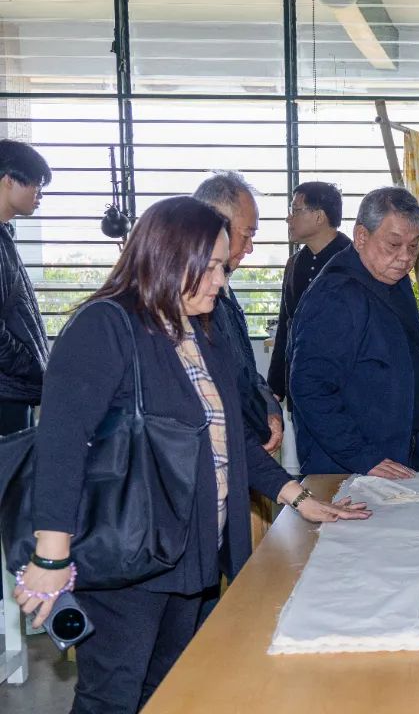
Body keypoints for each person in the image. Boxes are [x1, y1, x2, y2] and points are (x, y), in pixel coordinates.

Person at [14, 196, 370, 713]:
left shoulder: (199, 330)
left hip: (191, 553)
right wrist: (51, 556)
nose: (220, 281)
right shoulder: (105, 326)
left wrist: (297, 496)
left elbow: (230, 439)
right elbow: (61, 443)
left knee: (170, 689)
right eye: (210, 267)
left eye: (223, 267)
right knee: (113, 696)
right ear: (165, 257)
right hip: (127, 556)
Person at [289, 186, 419, 478]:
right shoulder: (337, 295)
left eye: (413, 246)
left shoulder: (394, 279)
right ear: (362, 236)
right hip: (352, 465)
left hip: (395, 453)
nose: (405, 257)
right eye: (393, 244)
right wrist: (362, 456)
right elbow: (310, 387)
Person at [193, 171, 283, 455]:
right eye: (247, 234)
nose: (250, 247)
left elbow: (246, 372)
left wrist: (271, 409)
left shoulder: (224, 292)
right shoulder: (188, 308)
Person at [268, 181, 351, 408]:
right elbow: (285, 326)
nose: (289, 219)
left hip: (344, 391)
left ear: (319, 216)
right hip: (301, 388)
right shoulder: (294, 263)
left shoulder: (353, 260)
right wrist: (275, 388)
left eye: (295, 210)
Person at [0, 139, 50, 435]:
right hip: (6, 391)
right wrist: (29, 366)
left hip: (13, 390)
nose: (39, 194)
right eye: (36, 185)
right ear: (8, 180)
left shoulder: (5, 234)